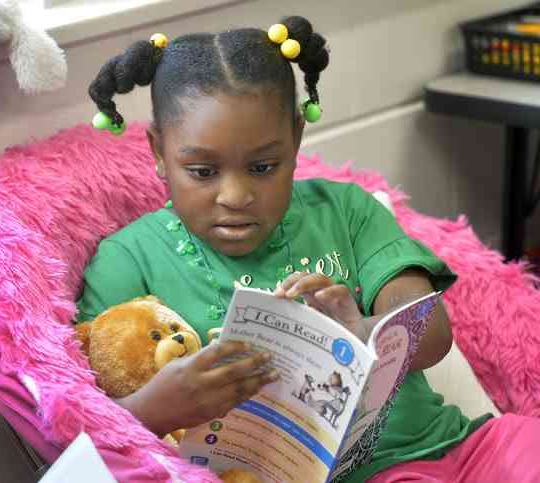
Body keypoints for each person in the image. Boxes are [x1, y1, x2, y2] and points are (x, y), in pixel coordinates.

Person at [77, 15, 540, 483]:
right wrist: (156, 408)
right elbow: (81, 434)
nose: (235, 197)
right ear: (158, 151)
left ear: (297, 139)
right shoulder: (127, 261)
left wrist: (367, 334)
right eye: (201, 171)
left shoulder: (346, 210)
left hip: (464, 449)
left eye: (262, 167)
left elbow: (433, 331)